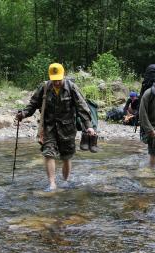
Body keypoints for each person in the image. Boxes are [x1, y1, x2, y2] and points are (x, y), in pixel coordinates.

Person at [16, 63, 96, 191]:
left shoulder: (72, 87)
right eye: (54, 79)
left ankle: (65, 181)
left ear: (63, 76)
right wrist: (23, 114)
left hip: (67, 129)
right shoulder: (44, 87)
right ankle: (52, 183)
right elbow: (33, 104)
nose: (57, 82)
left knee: (66, 156)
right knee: (48, 153)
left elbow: (82, 108)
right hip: (49, 128)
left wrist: (89, 127)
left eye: (59, 79)